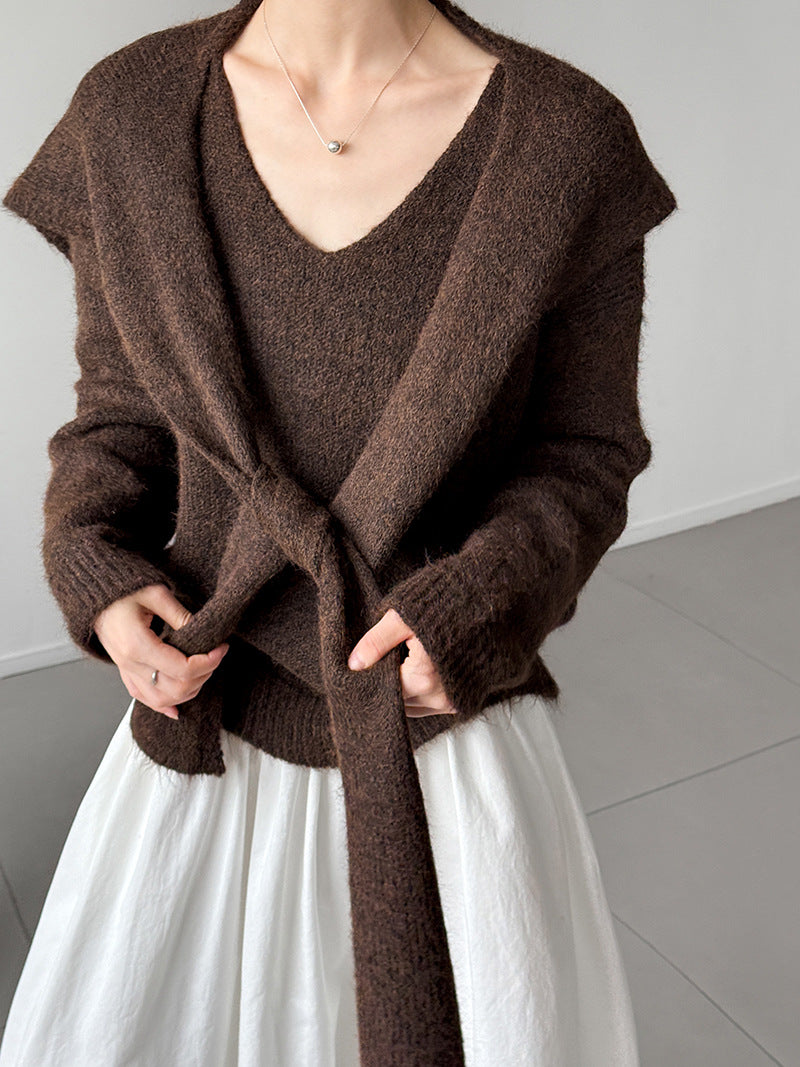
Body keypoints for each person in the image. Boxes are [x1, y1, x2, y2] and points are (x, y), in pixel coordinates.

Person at [0, 0, 678, 1063]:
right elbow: (121, 409)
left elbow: (584, 451)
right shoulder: (128, 114)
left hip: (435, 729)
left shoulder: (566, 141)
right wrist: (93, 554)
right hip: (206, 718)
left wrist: (483, 600)